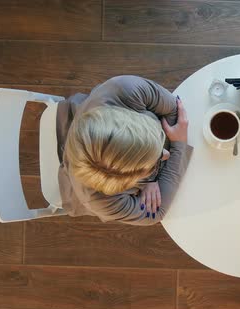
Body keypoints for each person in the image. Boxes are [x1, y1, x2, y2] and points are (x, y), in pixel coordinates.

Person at [57, 75, 192, 225]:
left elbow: (175, 109)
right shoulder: (99, 201)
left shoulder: (124, 89)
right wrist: (179, 143)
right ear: (129, 183)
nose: (166, 155)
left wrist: (153, 177)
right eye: (147, 169)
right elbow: (156, 214)